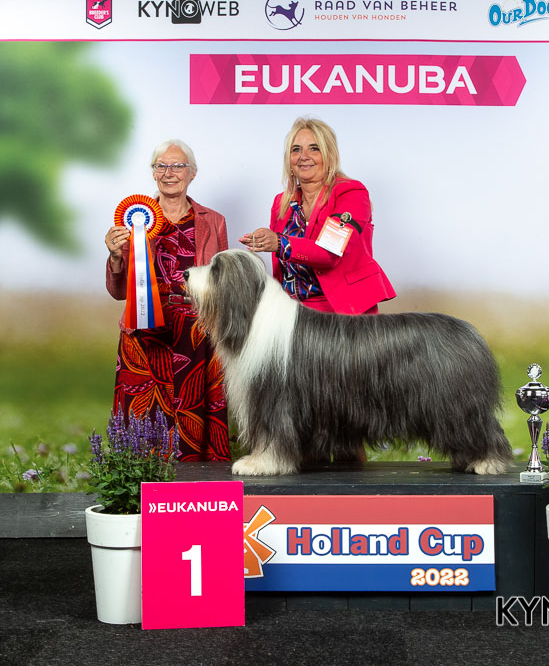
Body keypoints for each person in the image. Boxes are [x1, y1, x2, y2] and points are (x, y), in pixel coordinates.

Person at [104, 139, 230, 461]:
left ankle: (197, 480)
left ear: (193, 173)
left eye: (178, 166)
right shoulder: (134, 220)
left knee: (194, 415)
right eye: (161, 166)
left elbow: (222, 284)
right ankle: (138, 478)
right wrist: (115, 256)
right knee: (140, 417)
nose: (169, 172)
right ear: (153, 173)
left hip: (197, 332)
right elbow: (119, 292)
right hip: (143, 331)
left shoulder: (214, 221)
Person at [239, 117, 395, 314]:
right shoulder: (281, 202)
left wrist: (279, 242)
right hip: (291, 312)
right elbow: (282, 271)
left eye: (314, 148)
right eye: (296, 150)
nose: (303, 156)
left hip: (344, 312)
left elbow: (329, 253)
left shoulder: (351, 193)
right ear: (289, 159)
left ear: (329, 155)